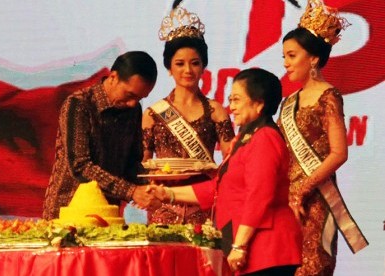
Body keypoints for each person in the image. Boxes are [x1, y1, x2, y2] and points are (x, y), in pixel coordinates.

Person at [151, 68, 302, 275]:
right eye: (231, 100)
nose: (231, 108)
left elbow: (259, 196)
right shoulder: (246, 138)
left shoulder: (265, 138)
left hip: (267, 249)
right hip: (253, 248)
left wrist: (239, 246)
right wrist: (168, 194)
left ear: (259, 103)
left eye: (237, 100)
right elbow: (219, 187)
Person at [279, 1, 368, 275]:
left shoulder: (329, 96)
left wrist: (303, 188)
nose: (286, 63)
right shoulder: (288, 101)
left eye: (292, 56)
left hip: (317, 199)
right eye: (284, 56)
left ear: (313, 58)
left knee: (312, 266)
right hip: (285, 200)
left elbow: (339, 153)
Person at [142, 2, 234, 224]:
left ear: (203, 66)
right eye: (179, 63)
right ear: (169, 67)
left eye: (194, 63)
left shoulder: (215, 111)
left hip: (203, 202)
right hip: (163, 204)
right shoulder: (153, 113)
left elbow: (232, 158)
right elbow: (143, 162)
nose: (187, 70)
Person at [42, 51, 160, 220]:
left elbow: (132, 163)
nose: (133, 103)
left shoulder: (133, 110)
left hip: (108, 214)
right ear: (113, 77)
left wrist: (150, 186)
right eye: (130, 95)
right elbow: (80, 166)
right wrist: (132, 191)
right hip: (67, 211)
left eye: (140, 98)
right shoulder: (79, 104)